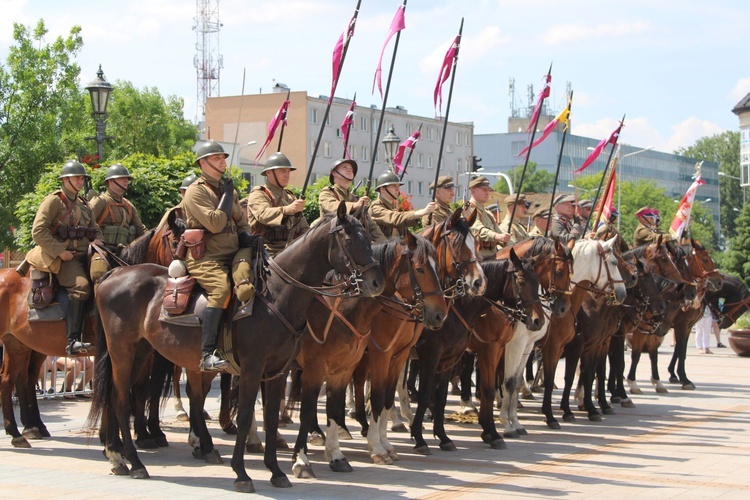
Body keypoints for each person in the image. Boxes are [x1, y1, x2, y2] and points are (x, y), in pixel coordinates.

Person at [182, 140, 254, 372]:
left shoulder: (226, 188)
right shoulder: (196, 191)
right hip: (207, 258)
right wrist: (226, 196)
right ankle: (207, 353)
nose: (223, 161)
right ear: (203, 163)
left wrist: (248, 236)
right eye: (216, 158)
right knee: (221, 289)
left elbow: (240, 221)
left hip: (232, 253)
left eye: (223, 158)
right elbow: (214, 223)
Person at [25, 160, 103, 355]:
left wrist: (99, 247)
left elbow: (96, 230)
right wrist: (60, 251)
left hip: (87, 255)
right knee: (81, 286)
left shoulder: (84, 204)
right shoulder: (54, 201)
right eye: (77, 178)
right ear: (66, 179)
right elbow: (38, 231)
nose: (80, 181)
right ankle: (73, 340)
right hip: (66, 258)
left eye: (82, 178)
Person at [89, 163, 148, 282]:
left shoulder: (129, 206)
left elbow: (141, 230)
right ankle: (97, 300)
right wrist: (95, 239)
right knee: (98, 271)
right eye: (121, 178)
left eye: (127, 178)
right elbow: (86, 221)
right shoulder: (100, 201)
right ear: (110, 181)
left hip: (123, 252)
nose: (126, 180)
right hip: (103, 249)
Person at [246, 152, 309, 256]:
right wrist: (287, 210)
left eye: (288, 171)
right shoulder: (259, 193)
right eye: (282, 171)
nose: (287, 175)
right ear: (269, 173)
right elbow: (263, 214)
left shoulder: (290, 197)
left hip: (290, 248)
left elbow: (303, 226)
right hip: (265, 250)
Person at [317, 158, 387, 244]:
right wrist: (354, 206)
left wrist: (386, 246)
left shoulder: (354, 198)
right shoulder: (327, 192)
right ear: (334, 173)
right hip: (329, 243)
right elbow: (332, 206)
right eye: (345, 167)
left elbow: (372, 226)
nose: (349, 170)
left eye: (351, 169)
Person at [370, 170, 437, 238]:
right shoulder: (375, 208)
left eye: (398, 186)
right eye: (393, 186)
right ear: (383, 189)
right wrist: (422, 212)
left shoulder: (392, 208)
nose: (397, 190)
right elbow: (395, 218)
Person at [468, 176, 510, 259]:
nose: (487, 193)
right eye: (484, 190)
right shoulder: (468, 209)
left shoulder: (488, 213)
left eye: (488, 190)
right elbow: (478, 230)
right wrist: (497, 236)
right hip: (478, 258)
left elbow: (499, 233)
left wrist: (505, 239)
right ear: (473, 191)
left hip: (493, 256)